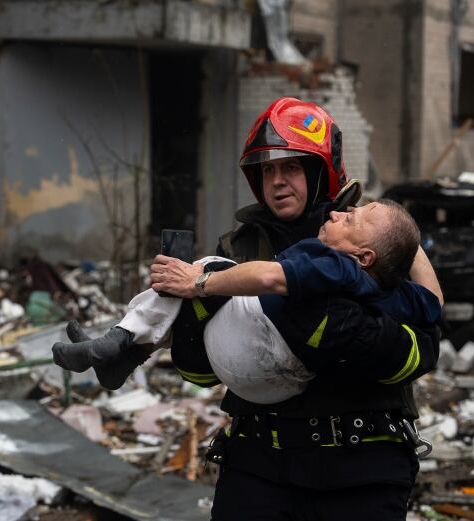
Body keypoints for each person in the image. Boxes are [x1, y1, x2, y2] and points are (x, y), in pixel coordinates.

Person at [53, 97, 442, 520]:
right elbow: (202, 372)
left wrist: (348, 336)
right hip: (260, 464)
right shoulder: (236, 249)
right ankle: (125, 344)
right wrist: (196, 318)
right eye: (267, 170)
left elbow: (424, 346)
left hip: (360, 466)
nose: (277, 181)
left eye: (291, 166)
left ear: (320, 171)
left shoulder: (374, 241)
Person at [55, 199, 441, 404]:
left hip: (254, 352)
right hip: (281, 386)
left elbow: (269, 276)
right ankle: (127, 353)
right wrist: (406, 241)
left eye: (351, 220)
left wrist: (201, 282)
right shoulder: (388, 291)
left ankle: (123, 339)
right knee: (202, 284)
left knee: (208, 265)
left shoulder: (335, 266)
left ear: (363, 257)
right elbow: (432, 302)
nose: (338, 212)